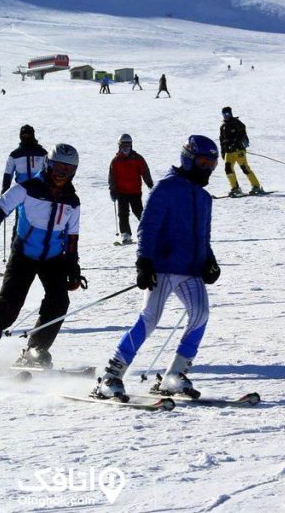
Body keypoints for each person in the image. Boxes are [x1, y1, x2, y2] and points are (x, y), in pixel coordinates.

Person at [92, 135, 221, 401]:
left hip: (191, 269)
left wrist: (209, 259)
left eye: (212, 163)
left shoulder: (205, 197)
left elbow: (203, 236)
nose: (207, 168)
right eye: (203, 161)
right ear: (188, 158)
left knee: (201, 313)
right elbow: (147, 226)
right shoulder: (166, 188)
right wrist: (143, 261)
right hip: (162, 267)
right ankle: (111, 376)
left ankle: (175, 374)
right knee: (149, 319)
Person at [0, 144, 84, 371]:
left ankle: (35, 351)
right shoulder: (27, 188)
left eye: (68, 170)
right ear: (48, 165)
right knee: (9, 307)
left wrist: (73, 268)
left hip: (53, 258)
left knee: (59, 303)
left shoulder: (72, 201)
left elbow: (72, 237)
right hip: (24, 255)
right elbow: (0, 208)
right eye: (58, 167)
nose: (62, 173)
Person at [109, 134, 154, 244]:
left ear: (131, 145)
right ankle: (125, 234)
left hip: (135, 191)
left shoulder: (137, 158)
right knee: (123, 213)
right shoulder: (116, 161)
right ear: (119, 146)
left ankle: (148, 230)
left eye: (128, 145)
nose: (125, 147)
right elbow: (112, 176)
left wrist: (149, 183)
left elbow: (145, 171)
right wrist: (112, 190)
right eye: (123, 145)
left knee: (138, 211)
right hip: (121, 192)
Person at [218, 106, 264, 196]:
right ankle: (235, 188)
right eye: (224, 114)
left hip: (238, 150)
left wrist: (235, 143)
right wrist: (223, 151)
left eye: (227, 114)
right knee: (228, 169)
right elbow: (221, 140)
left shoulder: (237, 123)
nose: (225, 116)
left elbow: (242, 134)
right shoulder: (222, 126)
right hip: (228, 152)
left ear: (231, 113)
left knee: (245, 168)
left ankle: (256, 186)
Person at [1, 124, 48, 193]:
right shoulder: (15, 155)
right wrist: (5, 189)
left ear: (33, 136)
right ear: (20, 136)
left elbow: (49, 171)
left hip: (40, 190)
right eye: (24, 136)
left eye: (28, 136)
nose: (26, 138)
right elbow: (8, 174)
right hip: (21, 191)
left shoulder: (42, 153)